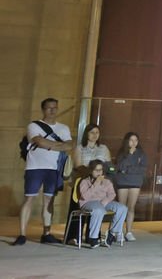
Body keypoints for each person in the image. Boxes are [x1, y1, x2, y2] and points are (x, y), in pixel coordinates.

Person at [16, 97, 73, 246]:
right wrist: (58, 145)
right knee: (29, 198)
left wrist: (49, 145)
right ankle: (22, 234)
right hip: (35, 167)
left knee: (49, 200)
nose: (53, 110)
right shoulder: (33, 126)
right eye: (49, 108)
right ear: (43, 109)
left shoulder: (64, 128)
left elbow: (69, 145)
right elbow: (38, 141)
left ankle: (46, 233)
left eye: (55, 107)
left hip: (54, 169)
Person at [78, 159, 128, 248]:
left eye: (100, 170)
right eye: (96, 170)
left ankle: (112, 233)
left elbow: (112, 194)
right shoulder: (84, 182)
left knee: (122, 208)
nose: (99, 173)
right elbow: (85, 196)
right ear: (91, 171)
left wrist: (104, 202)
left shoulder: (106, 181)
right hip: (89, 202)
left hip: (104, 202)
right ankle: (93, 238)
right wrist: (96, 183)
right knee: (98, 210)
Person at [112, 132, 146, 242]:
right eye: (131, 140)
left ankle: (129, 231)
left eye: (136, 140)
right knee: (121, 207)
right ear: (127, 141)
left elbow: (142, 169)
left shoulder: (141, 154)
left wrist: (127, 170)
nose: (134, 142)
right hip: (122, 182)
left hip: (135, 182)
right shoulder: (122, 153)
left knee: (131, 207)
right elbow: (120, 166)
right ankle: (118, 231)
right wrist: (130, 155)